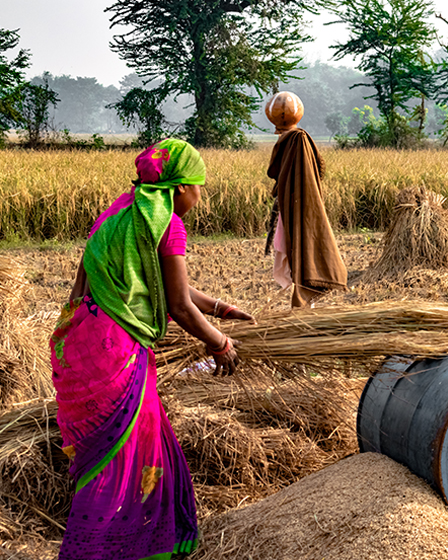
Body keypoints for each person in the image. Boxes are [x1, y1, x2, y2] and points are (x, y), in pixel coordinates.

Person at [49, 138, 252, 560]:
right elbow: (176, 304)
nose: (201, 194)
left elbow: (164, 283)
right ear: (179, 188)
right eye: (199, 185)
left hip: (82, 341)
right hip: (117, 349)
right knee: (128, 457)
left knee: (108, 454)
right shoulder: (168, 224)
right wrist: (220, 343)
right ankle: (112, 550)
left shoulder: (124, 211)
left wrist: (219, 307)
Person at [264, 94, 347, 308]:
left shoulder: (296, 141)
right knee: (297, 247)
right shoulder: (296, 140)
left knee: (302, 245)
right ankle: (303, 303)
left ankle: (304, 300)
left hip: (298, 204)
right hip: (294, 204)